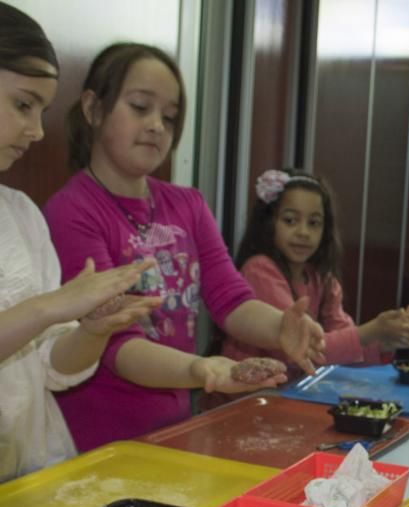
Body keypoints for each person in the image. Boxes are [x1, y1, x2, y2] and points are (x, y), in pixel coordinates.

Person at [43, 43, 326, 452]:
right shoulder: (72, 211)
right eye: (141, 107)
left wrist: (280, 328)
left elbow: (230, 299)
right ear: (93, 108)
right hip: (101, 441)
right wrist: (201, 369)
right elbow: (115, 345)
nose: (157, 125)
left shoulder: (188, 204)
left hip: (176, 430)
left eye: (170, 116)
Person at [0, 5, 162, 479]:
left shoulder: (21, 215)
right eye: (23, 105)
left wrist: (92, 330)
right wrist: (51, 306)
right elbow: (42, 315)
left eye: (42, 111)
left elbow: (51, 365)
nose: (36, 130)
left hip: (25, 472)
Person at [214, 167, 409, 384]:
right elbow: (298, 347)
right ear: (268, 223)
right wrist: (371, 331)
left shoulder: (321, 278)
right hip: (245, 399)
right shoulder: (259, 270)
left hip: (288, 395)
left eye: (314, 223)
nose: (303, 232)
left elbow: (344, 344)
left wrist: (387, 339)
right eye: (290, 220)